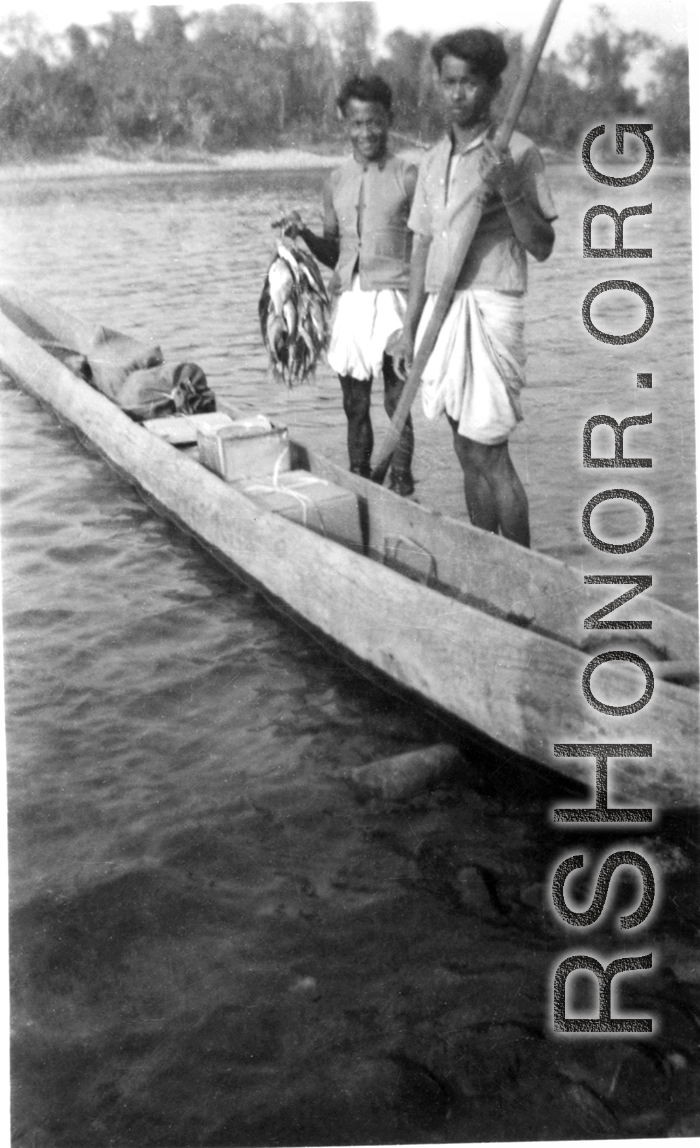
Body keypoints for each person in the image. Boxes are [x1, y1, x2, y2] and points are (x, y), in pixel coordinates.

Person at [391, 29, 556, 545]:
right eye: (448, 82)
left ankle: (527, 574)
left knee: (489, 449)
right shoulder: (434, 159)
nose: (457, 93)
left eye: (469, 83)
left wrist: (508, 190)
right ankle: (490, 561)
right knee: (465, 449)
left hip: (489, 304)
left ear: (492, 87)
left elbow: (542, 244)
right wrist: (407, 328)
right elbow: (420, 248)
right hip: (442, 309)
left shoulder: (519, 154)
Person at [284, 74, 418, 495]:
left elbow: (429, 251)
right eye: (357, 124)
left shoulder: (408, 176)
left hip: (395, 299)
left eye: (374, 122)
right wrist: (303, 236)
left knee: (398, 404)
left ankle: (401, 486)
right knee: (353, 404)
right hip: (351, 301)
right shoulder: (335, 180)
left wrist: (416, 320)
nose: (366, 133)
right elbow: (336, 253)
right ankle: (359, 481)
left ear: (389, 119)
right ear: (346, 123)